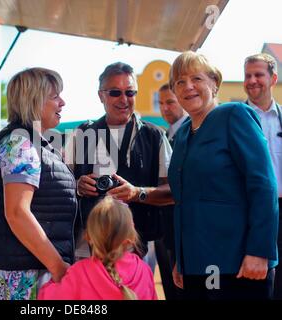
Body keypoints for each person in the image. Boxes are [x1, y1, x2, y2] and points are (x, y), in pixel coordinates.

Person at [168, 51, 279, 299]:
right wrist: (182, 259)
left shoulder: (234, 115)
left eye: (196, 78)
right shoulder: (184, 133)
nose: (188, 87)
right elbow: (184, 201)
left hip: (239, 265)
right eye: (180, 82)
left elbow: (263, 184)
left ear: (214, 83)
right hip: (198, 266)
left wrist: (259, 251)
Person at [0, 67, 77, 300]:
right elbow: (17, 213)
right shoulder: (21, 145)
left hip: (26, 266)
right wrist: (57, 266)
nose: (62, 102)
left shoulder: (32, 142)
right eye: (55, 96)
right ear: (34, 101)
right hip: (20, 272)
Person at [70, 62, 174, 259]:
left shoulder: (154, 136)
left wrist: (137, 193)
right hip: (89, 249)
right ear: (101, 95)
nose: (124, 99)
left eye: (130, 92)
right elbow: (60, 186)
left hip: (138, 249)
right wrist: (78, 186)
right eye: (115, 92)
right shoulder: (81, 134)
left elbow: (173, 192)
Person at [38, 196, 157, 300]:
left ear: (88, 237)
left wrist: (53, 281)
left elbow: (46, 297)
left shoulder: (79, 272)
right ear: (131, 236)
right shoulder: (144, 270)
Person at [243, 53, 282, 299]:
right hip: (247, 212)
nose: (252, 80)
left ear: (273, 79)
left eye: (258, 74)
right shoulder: (233, 119)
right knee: (252, 284)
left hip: (281, 208)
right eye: (247, 75)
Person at [154, 83, 187, 300]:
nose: (165, 108)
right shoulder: (163, 135)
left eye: (170, 102)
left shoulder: (190, 132)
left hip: (182, 230)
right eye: (161, 103)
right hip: (163, 229)